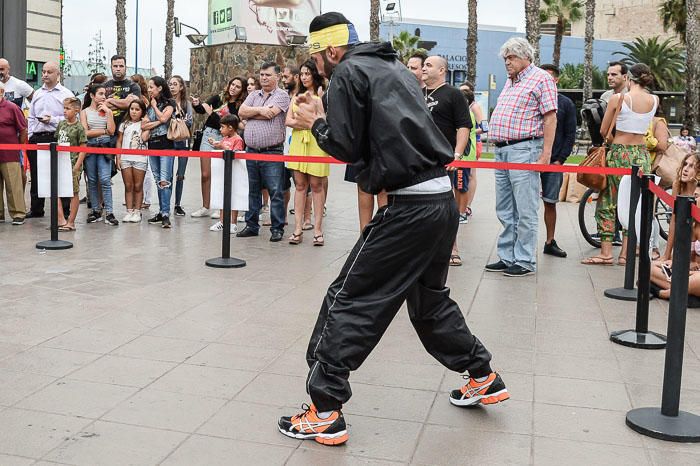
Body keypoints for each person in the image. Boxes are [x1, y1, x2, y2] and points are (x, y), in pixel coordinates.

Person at [277, 12, 508, 446]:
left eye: (317, 57)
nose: (320, 66)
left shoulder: (348, 71)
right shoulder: (396, 68)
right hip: (440, 203)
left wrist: (315, 123)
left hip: (409, 207)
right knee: (428, 301)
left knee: (350, 298)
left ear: (330, 50)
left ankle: (324, 409)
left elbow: (345, 144)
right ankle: (482, 375)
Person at [486, 38, 558, 277]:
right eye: (505, 58)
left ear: (526, 56)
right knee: (505, 208)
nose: (507, 62)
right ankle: (507, 256)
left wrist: (545, 154)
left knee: (525, 208)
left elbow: (550, 118)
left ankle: (525, 260)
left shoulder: (541, 78)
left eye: (512, 57)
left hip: (524, 149)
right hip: (502, 150)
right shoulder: (511, 82)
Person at [582, 63, 658, 266]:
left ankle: (606, 253)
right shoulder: (654, 100)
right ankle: (625, 254)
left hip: (620, 153)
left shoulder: (619, 98)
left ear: (629, 79)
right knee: (632, 204)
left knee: (608, 202)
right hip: (641, 155)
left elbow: (604, 130)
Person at [422, 55, 472, 267]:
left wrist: (457, 155)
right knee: (420, 207)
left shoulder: (453, 94)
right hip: (418, 159)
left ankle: (452, 247)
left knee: (446, 207)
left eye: (429, 65)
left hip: (443, 160)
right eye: (423, 65)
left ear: (442, 70)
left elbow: (464, 126)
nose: (424, 68)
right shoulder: (415, 93)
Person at [236, 62, 291, 242]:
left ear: (277, 76)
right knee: (252, 190)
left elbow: (272, 113)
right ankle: (251, 225)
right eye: (262, 74)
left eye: (268, 75)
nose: (264, 78)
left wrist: (252, 113)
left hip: (272, 152)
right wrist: (259, 110)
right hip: (251, 150)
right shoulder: (253, 95)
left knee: (275, 190)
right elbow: (241, 112)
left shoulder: (282, 96)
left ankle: (277, 228)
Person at [191, 77, 248, 219]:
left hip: (227, 138)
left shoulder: (240, 106)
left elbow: (232, 125)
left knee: (222, 174)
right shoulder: (219, 98)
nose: (233, 88)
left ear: (242, 90)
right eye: (232, 84)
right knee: (205, 174)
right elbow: (202, 110)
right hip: (209, 134)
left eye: (237, 86)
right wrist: (196, 104)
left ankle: (220, 206)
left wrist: (213, 115)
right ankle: (205, 206)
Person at [286, 59, 329, 246]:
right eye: (302, 74)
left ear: (314, 75)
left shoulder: (322, 96)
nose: (304, 77)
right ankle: (297, 229)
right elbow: (288, 120)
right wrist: (305, 123)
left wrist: (307, 122)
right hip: (298, 141)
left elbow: (323, 120)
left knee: (317, 186)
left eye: (307, 74)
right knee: (300, 185)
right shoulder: (296, 96)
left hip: (316, 143)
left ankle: (318, 230)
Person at [26, 62, 75, 218]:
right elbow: (32, 117)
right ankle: (36, 209)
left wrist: (52, 120)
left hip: (57, 136)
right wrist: (30, 136)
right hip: (37, 137)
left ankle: (64, 210)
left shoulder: (66, 94)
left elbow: (72, 117)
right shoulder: (37, 94)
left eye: (49, 72)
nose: (45, 74)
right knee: (36, 174)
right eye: (44, 72)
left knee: (61, 174)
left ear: (57, 74)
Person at [539, 64, 577, 258]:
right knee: (523, 203)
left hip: (554, 162)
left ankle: (549, 241)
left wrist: (560, 160)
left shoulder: (566, 104)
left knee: (550, 201)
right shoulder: (532, 100)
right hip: (529, 161)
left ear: (556, 80)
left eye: (550, 77)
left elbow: (570, 134)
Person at [142, 76, 176, 228]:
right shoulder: (148, 106)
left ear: (160, 88)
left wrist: (155, 108)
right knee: (157, 180)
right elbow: (144, 126)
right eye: (148, 87)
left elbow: (164, 118)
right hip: (152, 146)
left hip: (166, 146)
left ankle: (165, 214)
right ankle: (162, 211)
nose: (149, 90)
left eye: (151, 87)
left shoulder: (169, 103)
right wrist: (156, 122)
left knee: (164, 181)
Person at [81, 84, 117, 226]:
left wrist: (108, 113)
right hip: (90, 148)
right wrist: (103, 131)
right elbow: (85, 133)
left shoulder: (108, 111)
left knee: (105, 179)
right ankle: (96, 210)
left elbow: (112, 130)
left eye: (104, 94)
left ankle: (109, 212)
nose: (103, 96)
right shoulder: (85, 112)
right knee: (92, 180)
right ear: (92, 95)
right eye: (100, 93)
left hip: (104, 147)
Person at [54, 97, 87, 231]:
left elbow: (83, 147)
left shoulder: (79, 127)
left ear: (76, 110)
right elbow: (56, 141)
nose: (65, 111)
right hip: (60, 162)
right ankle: (61, 218)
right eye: (64, 108)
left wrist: (77, 166)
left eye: (68, 108)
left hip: (72, 163)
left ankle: (71, 221)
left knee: (73, 192)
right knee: (55, 191)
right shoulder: (61, 124)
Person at [209, 114, 245, 233]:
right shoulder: (225, 139)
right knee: (221, 196)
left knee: (234, 197)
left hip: (234, 173)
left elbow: (237, 155)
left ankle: (233, 223)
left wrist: (223, 146)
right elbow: (222, 150)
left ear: (230, 127)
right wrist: (216, 144)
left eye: (222, 127)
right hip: (223, 172)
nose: (220, 129)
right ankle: (222, 221)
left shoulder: (238, 139)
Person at [660, 152, 699, 262]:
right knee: (652, 269)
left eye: (691, 166)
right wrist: (667, 255)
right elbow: (673, 220)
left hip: (695, 250)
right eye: (685, 164)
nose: (685, 169)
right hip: (683, 250)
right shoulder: (678, 185)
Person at [459, 80, 488, 223]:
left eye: (465, 91)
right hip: (463, 145)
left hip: (472, 144)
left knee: (469, 176)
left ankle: (466, 207)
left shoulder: (474, 107)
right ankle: (462, 208)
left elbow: (485, 127)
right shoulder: (461, 108)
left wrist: (469, 132)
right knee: (462, 178)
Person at [0, 80, 28, 225]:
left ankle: (18, 213)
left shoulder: (12, 107)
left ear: (1, 92)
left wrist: (18, 146)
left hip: (10, 152)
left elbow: (23, 129)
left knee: (13, 184)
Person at [116, 99, 149, 223]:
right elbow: (119, 140)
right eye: (132, 109)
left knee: (138, 186)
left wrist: (146, 123)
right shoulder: (124, 124)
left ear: (142, 111)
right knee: (128, 186)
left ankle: (137, 211)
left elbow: (146, 137)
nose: (134, 112)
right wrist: (118, 157)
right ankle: (129, 211)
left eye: (137, 109)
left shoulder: (144, 124)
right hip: (126, 158)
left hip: (140, 158)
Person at [168, 75, 193, 217]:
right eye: (170, 84)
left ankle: (177, 204)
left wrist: (175, 122)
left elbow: (189, 121)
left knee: (180, 175)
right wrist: (178, 121)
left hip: (183, 142)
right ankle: (166, 203)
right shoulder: (167, 103)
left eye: (175, 84)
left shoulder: (186, 104)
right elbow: (164, 119)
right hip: (170, 141)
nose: (172, 86)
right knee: (168, 174)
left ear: (181, 87)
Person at [131, 74, 155, 210]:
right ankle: (136, 197)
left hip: (143, 136)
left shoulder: (144, 100)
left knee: (145, 171)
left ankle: (146, 198)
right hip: (134, 137)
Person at [104, 55, 142, 131]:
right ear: (111, 67)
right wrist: (124, 102)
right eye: (115, 66)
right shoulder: (104, 86)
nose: (118, 69)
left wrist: (109, 100)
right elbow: (101, 105)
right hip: (107, 130)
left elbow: (130, 104)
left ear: (125, 68)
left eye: (121, 66)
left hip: (127, 129)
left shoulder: (133, 86)